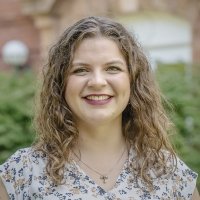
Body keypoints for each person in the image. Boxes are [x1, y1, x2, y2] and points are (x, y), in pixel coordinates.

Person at [0, 16, 199, 200]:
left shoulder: (170, 174)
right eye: (81, 70)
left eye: (113, 68)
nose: (97, 81)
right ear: (60, 84)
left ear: (133, 80)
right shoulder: (22, 174)